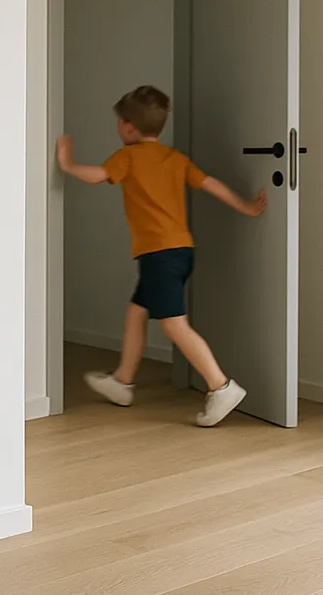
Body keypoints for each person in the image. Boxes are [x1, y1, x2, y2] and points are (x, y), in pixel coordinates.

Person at [57, 85, 267, 427]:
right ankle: (123, 381)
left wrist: (67, 163)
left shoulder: (127, 157)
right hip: (180, 251)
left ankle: (221, 386)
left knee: (173, 323)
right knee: (136, 312)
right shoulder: (175, 159)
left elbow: (97, 176)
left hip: (159, 255)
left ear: (128, 127)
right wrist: (245, 206)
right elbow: (211, 185)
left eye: (119, 122)